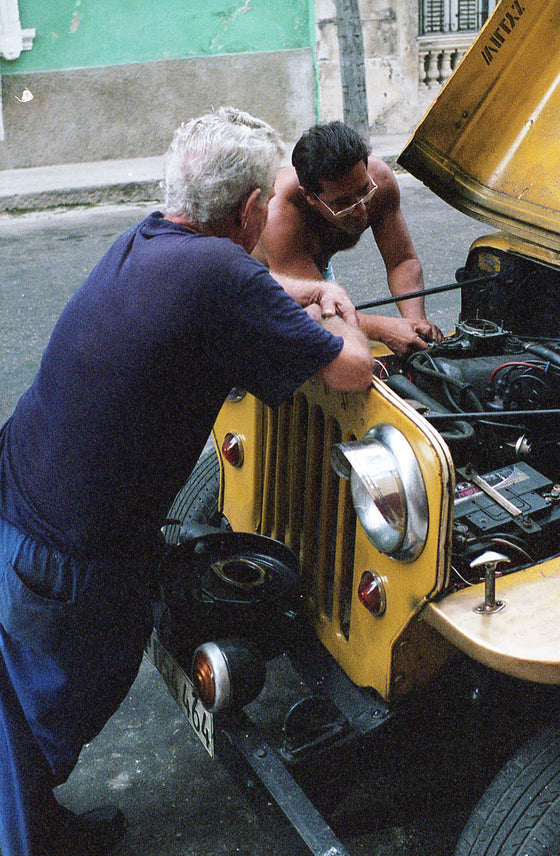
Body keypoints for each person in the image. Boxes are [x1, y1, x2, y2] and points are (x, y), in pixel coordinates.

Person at [0, 107, 373, 856]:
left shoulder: (152, 238)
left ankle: (35, 826)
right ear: (246, 211)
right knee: (62, 706)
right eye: (269, 204)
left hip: (21, 499)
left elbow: (227, 302)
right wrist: (343, 310)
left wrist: (296, 300)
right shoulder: (225, 273)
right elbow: (351, 369)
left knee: (16, 713)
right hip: (67, 556)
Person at [252, 121, 443, 356]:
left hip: (313, 267)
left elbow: (401, 261)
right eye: (343, 203)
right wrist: (385, 329)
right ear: (309, 197)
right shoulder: (279, 216)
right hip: (266, 284)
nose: (360, 209)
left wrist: (416, 323)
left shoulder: (379, 179)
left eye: (364, 191)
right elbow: (319, 306)